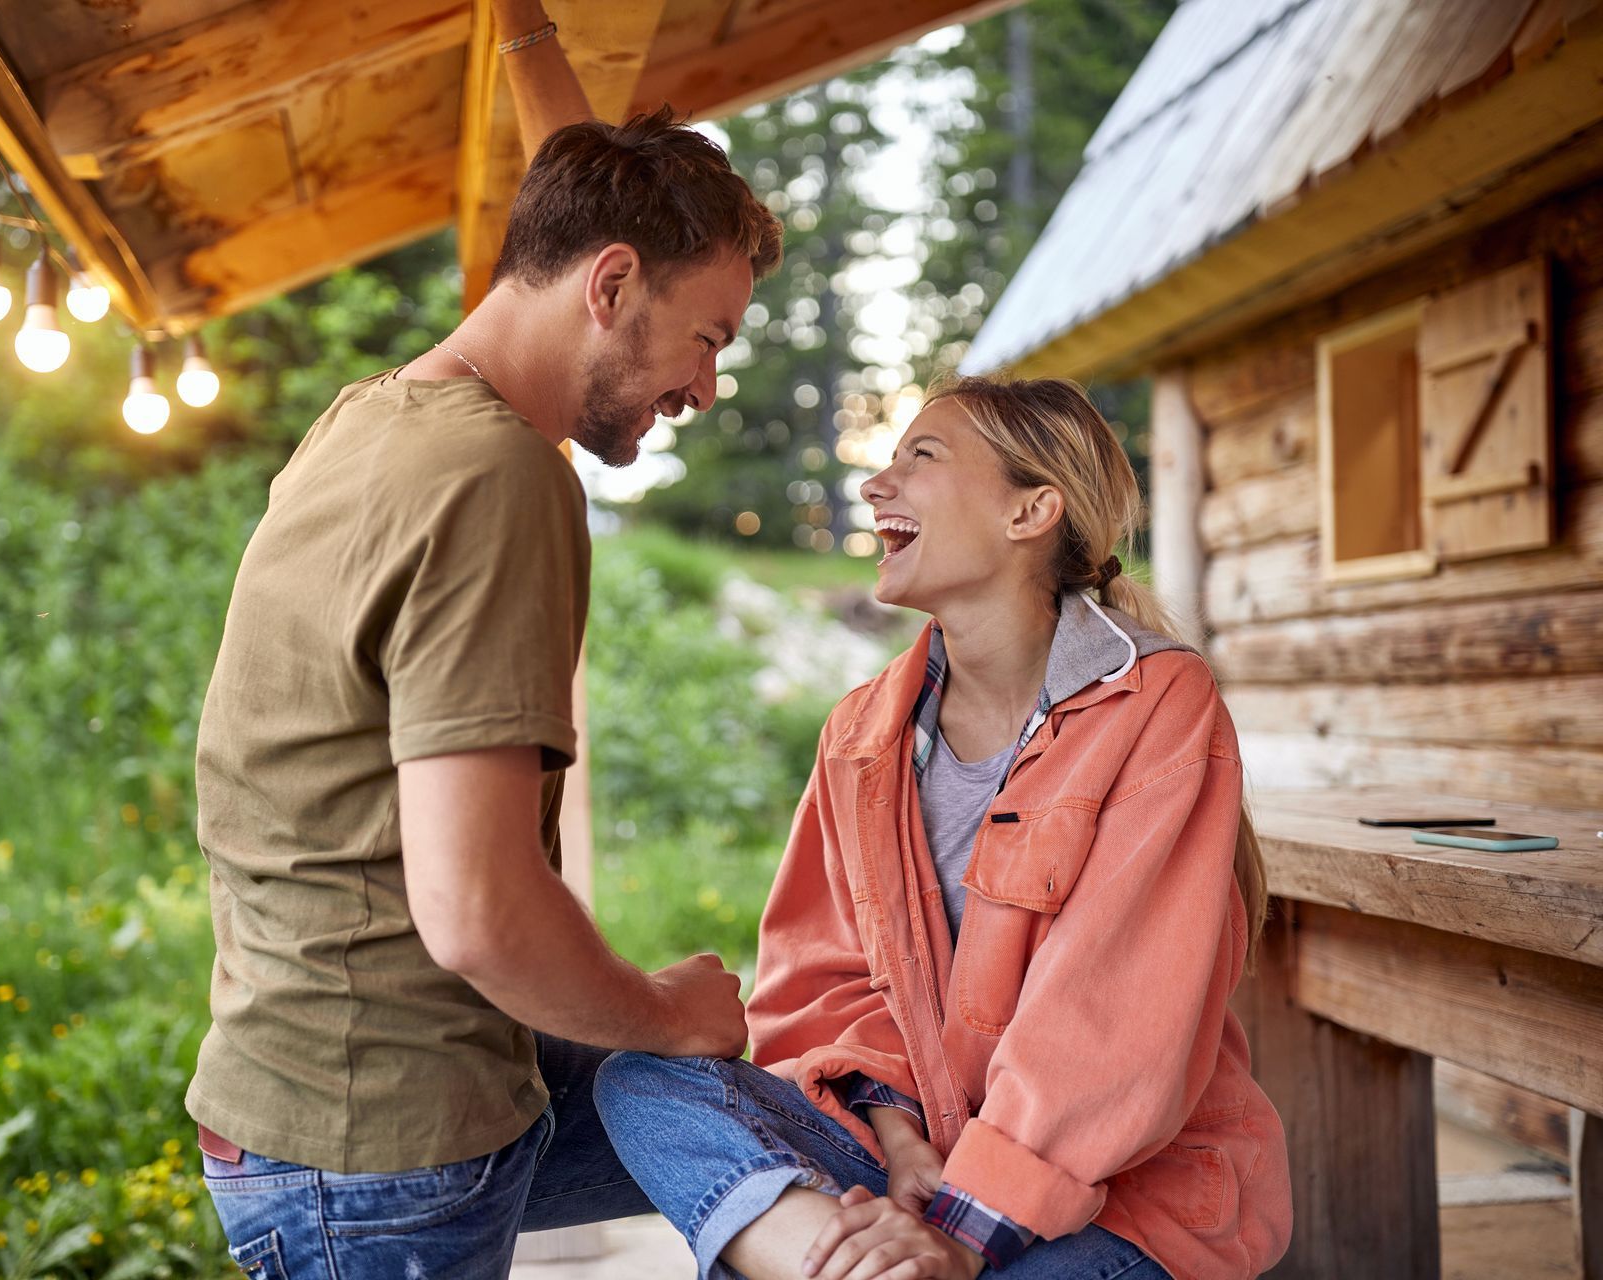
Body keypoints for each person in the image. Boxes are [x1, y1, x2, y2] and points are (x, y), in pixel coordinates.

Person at [182, 2, 785, 1274]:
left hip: (337, 1097)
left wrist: (526, 36)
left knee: (770, 1125)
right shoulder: (499, 476)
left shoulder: (381, 416)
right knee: (710, 1067)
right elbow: (474, 910)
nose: (704, 386)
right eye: (708, 338)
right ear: (611, 284)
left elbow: (577, 205)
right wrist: (665, 1012)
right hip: (378, 1150)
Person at [593, 376, 1293, 1279]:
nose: (878, 484)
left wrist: (961, 1234)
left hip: (1122, 1201)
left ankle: (872, 1264)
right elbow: (825, 978)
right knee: (646, 1083)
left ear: (1032, 510)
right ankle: (839, 1264)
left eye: (920, 457)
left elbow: (1112, 1026)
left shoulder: (1154, 703)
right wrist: (899, 1139)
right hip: (924, 1165)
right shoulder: (859, 732)